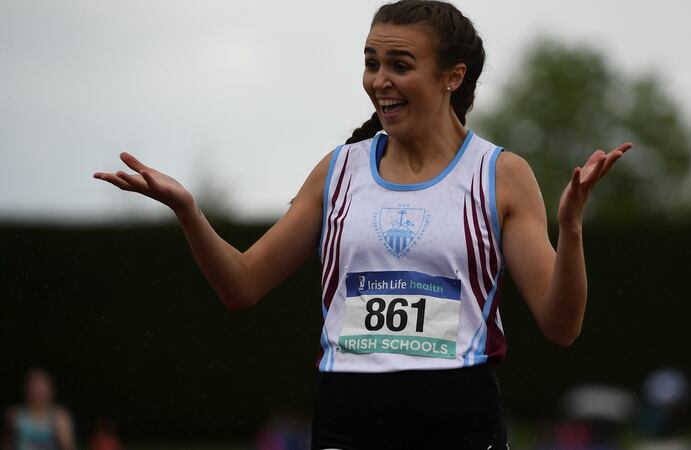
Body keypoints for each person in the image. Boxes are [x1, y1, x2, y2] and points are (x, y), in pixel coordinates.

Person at [92, 1, 632, 448]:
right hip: (348, 414)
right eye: (372, 63)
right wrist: (189, 212)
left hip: (457, 415)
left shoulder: (499, 175)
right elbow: (242, 285)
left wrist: (571, 228)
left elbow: (561, 326)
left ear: (453, 76)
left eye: (400, 64)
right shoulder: (339, 170)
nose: (380, 81)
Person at [2, 368, 76, 450]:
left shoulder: (60, 416)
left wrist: (62, 435)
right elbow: (6, 445)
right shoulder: (14, 415)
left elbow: (69, 446)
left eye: (40, 388)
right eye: (33, 387)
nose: (36, 391)